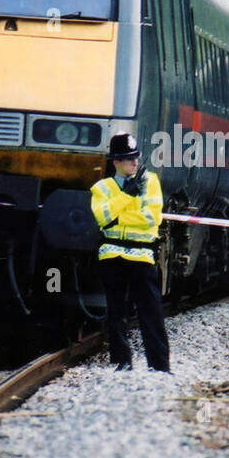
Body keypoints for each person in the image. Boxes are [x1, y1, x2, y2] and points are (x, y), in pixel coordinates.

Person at [89, 133, 170, 372]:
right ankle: (121, 363)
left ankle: (159, 365)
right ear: (115, 162)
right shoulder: (102, 187)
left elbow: (151, 218)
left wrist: (118, 214)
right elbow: (103, 218)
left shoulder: (150, 181)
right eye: (127, 159)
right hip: (112, 256)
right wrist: (128, 197)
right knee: (116, 313)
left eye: (135, 157)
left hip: (142, 256)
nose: (134, 162)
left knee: (151, 313)